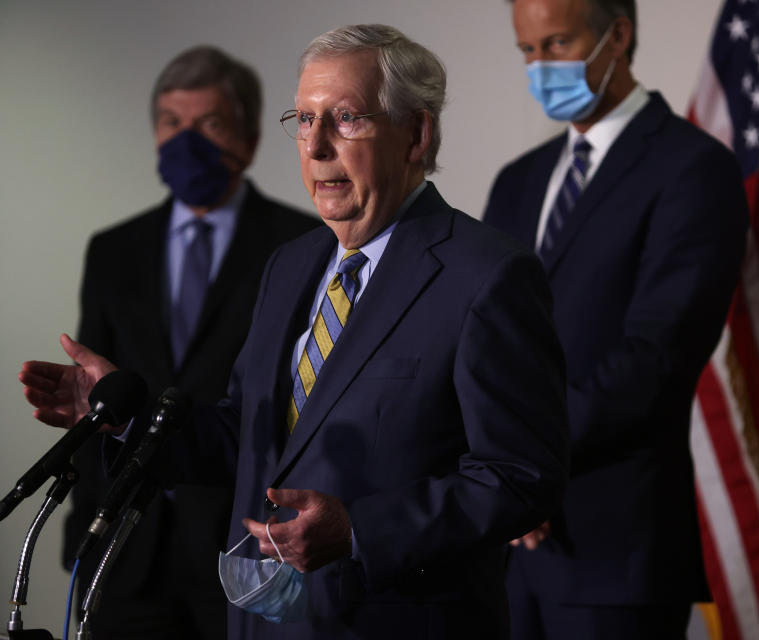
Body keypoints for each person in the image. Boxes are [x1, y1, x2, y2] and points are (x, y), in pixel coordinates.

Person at [22, 25, 569, 640]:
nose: (316, 146)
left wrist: (361, 530)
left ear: (416, 134)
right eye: (304, 120)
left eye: (346, 119)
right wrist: (124, 413)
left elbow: (519, 478)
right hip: (264, 621)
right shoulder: (290, 264)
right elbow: (245, 434)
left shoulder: (486, 273)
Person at [482, 0, 749, 638]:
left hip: (613, 554)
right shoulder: (517, 182)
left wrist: (523, 459)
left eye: (557, 44)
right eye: (528, 52)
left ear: (618, 36)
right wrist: (493, 471)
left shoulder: (693, 168)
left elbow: (656, 357)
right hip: (500, 552)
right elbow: (477, 342)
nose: (540, 66)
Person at [62, 46, 320, 638]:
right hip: (124, 550)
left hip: (244, 549)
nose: (187, 141)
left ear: (250, 138)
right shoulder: (114, 250)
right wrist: (82, 528)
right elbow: (94, 394)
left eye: (209, 125)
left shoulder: (301, 246)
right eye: (172, 124)